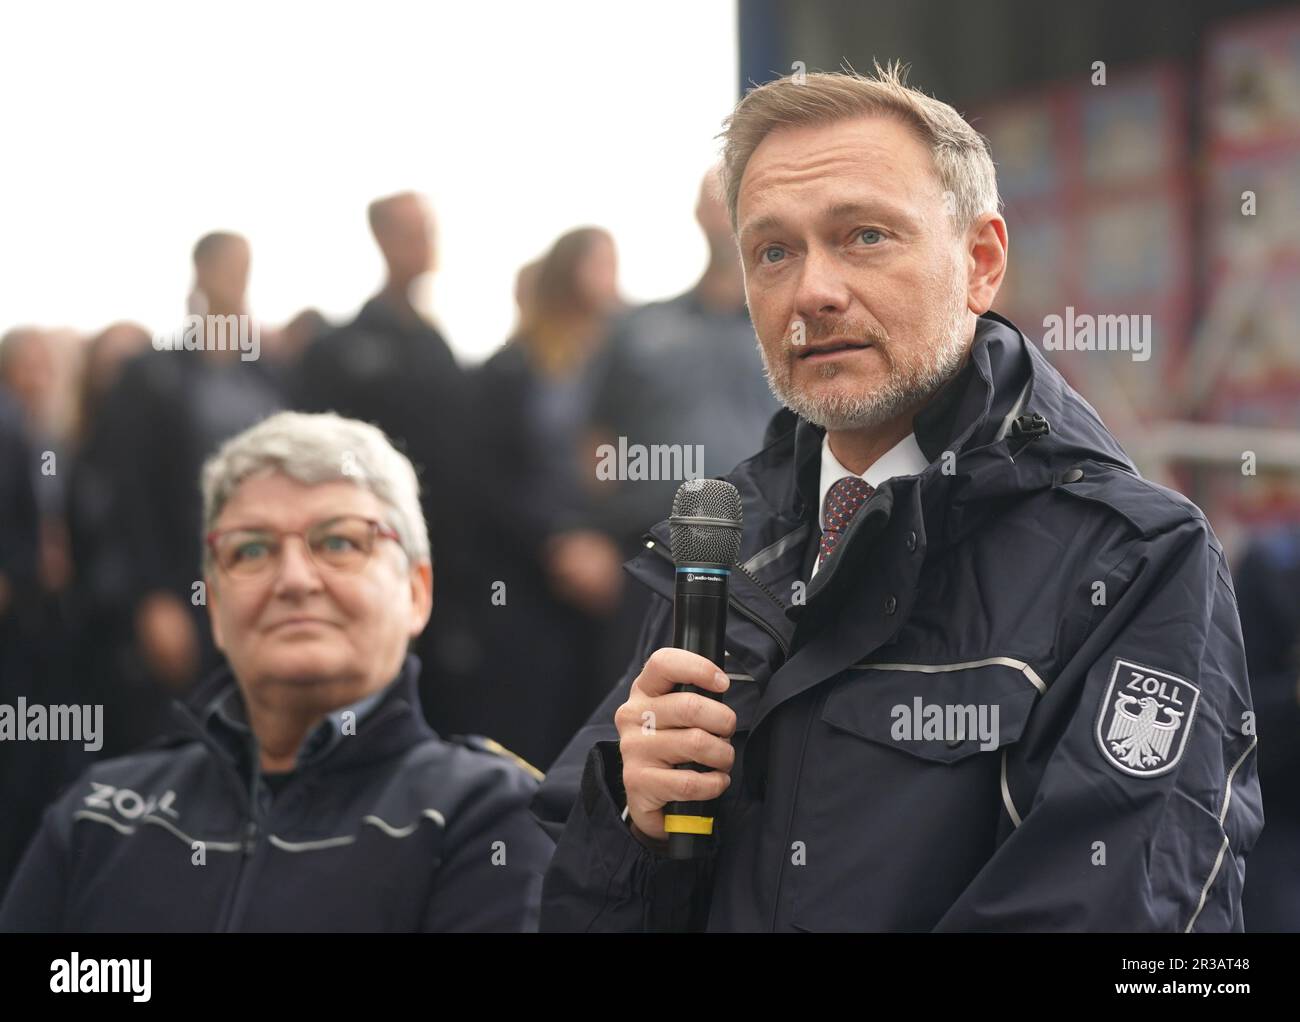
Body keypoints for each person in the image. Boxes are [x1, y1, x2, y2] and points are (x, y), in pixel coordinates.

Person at [535, 64, 1262, 932]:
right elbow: (553, 889)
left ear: (981, 262)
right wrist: (635, 827)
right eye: (774, 251)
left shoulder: (1132, 560)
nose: (813, 291)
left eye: (865, 236)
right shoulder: (718, 547)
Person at [0, 411, 554, 932]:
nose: (293, 579)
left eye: (339, 542)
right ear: (214, 606)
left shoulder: (489, 817)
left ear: (416, 592)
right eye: (252, 550)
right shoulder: (101, 813)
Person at [295, 193, 480, 724]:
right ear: (382, 238)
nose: (426, 243)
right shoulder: (338, 352)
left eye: (429, 229)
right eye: (412, 230)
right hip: (368, 565)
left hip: (446, 573)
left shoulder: (435, 347)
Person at [99, 232, 286, 692]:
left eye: (244, 268)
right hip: (186, 580)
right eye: (226, 267)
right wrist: (154, 596)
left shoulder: (266, 374)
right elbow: (130, 493)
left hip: (262, 579)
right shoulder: (153, 376)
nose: (236, 280)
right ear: (201, 271)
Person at [472, 230, 625, 768]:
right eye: (599, 264)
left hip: (616, 571)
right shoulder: (512, 369)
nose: (611, 277)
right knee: (533, 730)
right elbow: (491, 478)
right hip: (530, 576)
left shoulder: (622, 359)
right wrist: (559, 539)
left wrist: (610, 539)